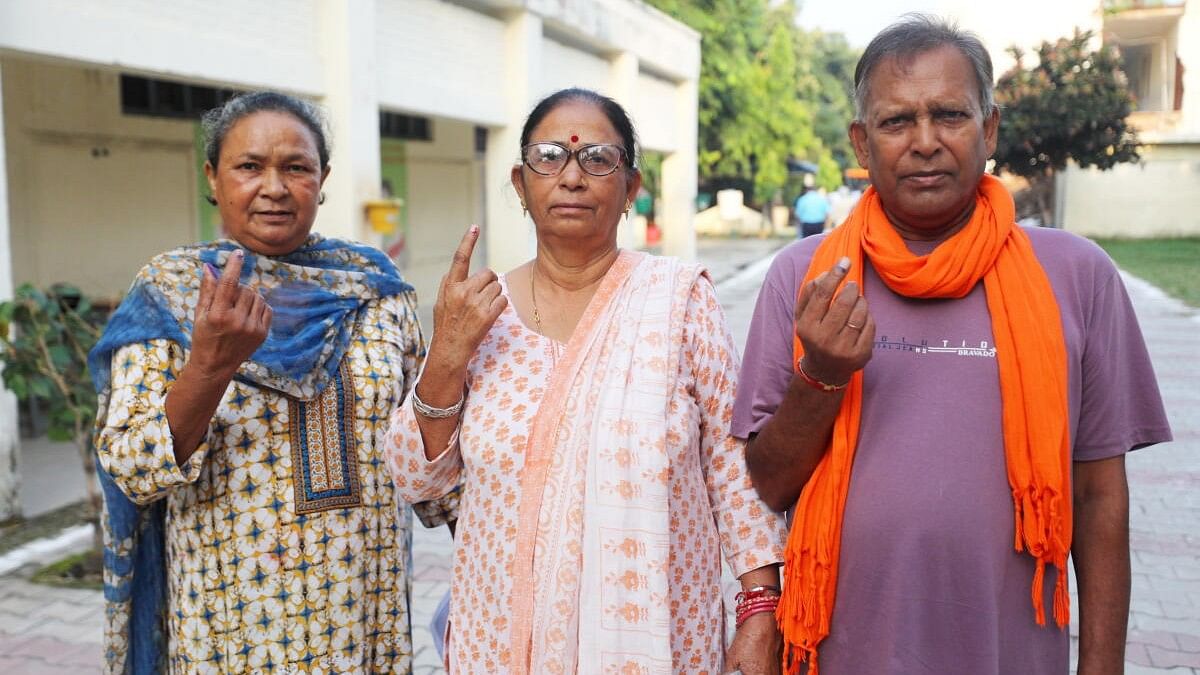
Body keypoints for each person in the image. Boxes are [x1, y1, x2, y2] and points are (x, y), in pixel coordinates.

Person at [733, 16, 1171, 675]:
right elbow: (766, 484)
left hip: (1009, 653)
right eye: (896, 121)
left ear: (989, 129)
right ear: (860, 141)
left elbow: (1099, 496)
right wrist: (821, 375)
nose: (926, 142)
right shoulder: (808, 277)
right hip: (840, 650)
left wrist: (1102, 666)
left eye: (949, 114)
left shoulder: (1077, 276)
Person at [385, 88, 787, 674]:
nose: (571, 176)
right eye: (549, 157)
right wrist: (446, 355)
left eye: (598, 159)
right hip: (500, 639)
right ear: (521, 185)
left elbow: (732, 471)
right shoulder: (478, 314)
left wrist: (760, 606)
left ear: (631, 190)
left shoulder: (680, 302)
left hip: (656, 636)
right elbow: (416, 476)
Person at [90, 91, 458, 673]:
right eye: (249, 166)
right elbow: (133, 469)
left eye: (296, 167)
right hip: (230, 625)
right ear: (212, 176)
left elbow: (430, 465)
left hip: (365, 612)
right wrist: (209, 365)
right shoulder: (172, 295)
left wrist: (456, 354)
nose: (275, 187)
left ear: (323, 178)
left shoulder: (375, 291)